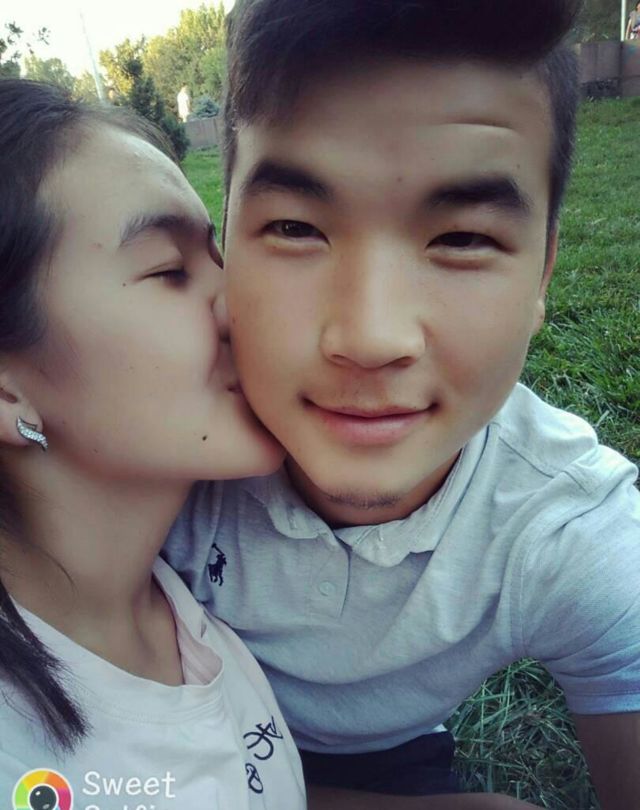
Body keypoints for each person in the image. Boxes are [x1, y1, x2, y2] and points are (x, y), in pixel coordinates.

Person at [163, 1, 640, 808]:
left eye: (462, 239)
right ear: (224, 245)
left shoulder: (567, 530)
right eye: (295, 227)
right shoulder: (155, 449)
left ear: (543, 274)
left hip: (391, 758)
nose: (371, 337)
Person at [0, 79, 305, 809]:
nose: (246, 303)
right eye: (170, 270)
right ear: (8, 391)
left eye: (220, 258)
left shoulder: (173, 607)